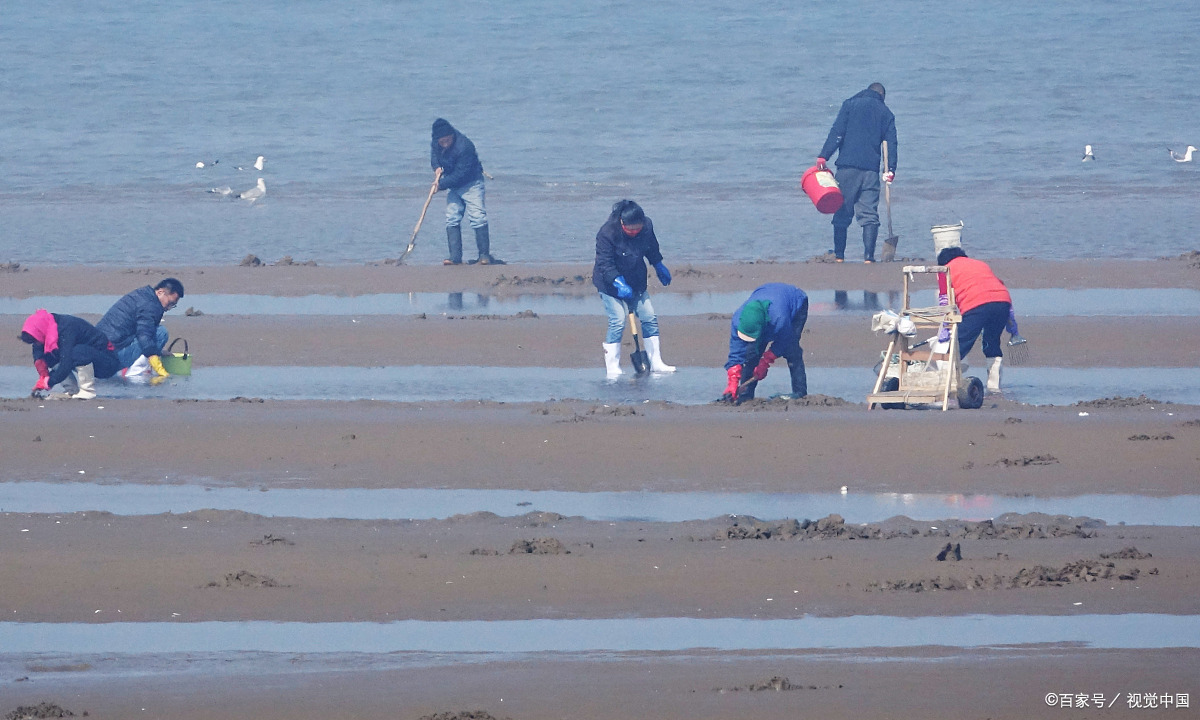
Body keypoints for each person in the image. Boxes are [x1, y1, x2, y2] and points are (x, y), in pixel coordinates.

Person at [592, 199, 675, 377]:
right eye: (630, 229)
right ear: (622, 223)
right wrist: (618, 282)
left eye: (637, 228)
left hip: (636, 280)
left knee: (649, 316)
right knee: (618, 319)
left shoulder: (647, 226)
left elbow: (651, 248)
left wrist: (658, 264)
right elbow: (604, 264)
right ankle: (612, 367)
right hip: (610, 285)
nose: (634, 231)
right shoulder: (607, 233)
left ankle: (656, 362)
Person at [817, 82, 897, 263]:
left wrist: (824, 156)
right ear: (882, 96)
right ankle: (869, 257)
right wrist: (890, 169)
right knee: (869, 214)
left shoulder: (849, 105)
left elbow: (837, 133)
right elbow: (891, 143)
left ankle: (839, 256)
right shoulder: (886, 113)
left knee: (842, 211)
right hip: (870, 171)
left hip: (847, 168)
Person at [936, 247, 1011, 392]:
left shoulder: (944, 270)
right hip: (1003, 301)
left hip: (977, 304)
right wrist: (1011, 321)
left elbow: (944, 299)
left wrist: (945, 324)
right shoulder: (980, 264)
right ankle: (994, 386)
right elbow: (999, 283)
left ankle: (948, 384)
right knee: (991, 341)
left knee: (960, 344)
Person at [721, 283, 809, 403]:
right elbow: (736, 353)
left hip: (796, 300)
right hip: (765, 294)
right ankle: (745, 396)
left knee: (792, 350)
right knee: (752, 355)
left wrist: (765, 362)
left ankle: (800, 393)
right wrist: (733, 381)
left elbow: (784, 341)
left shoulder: (779, 320)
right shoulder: (737, 320)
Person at [430, 118, 501, 266]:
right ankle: (455, 257)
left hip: (471, 183)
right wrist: (436, 167)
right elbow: (435, 155)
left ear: (452, 135)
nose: (444, 144)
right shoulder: (436, 142)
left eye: (447, 140)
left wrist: (441, 185)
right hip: (453, 185)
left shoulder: (464, 146)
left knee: (477, 217)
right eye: (441, 142)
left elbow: (462, 174)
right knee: (452, 217)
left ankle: (484, 256)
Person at [20, 310, 121, 400]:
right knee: (50, 355)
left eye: (36, 341)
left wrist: (48, 382)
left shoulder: (66, 328)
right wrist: (42, 371)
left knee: (76, 352)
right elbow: (39, 350)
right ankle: (71, 390)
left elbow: (66, 362)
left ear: (40, 332)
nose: (36, 344)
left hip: (108, 362)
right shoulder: (47, 326)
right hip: (88, 358)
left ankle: (87, 391)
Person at [96, 278, 184, 378]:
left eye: (173, 305)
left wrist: (158, 351)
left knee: (152, 336)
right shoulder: (150, 305)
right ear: (160, 292)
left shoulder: (142, 295)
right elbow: (144, 333)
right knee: (161, 333)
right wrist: (153, 356)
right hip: (111, 357)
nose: (168, 308)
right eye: (170, 303)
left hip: (100, 352)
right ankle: (135, 374)